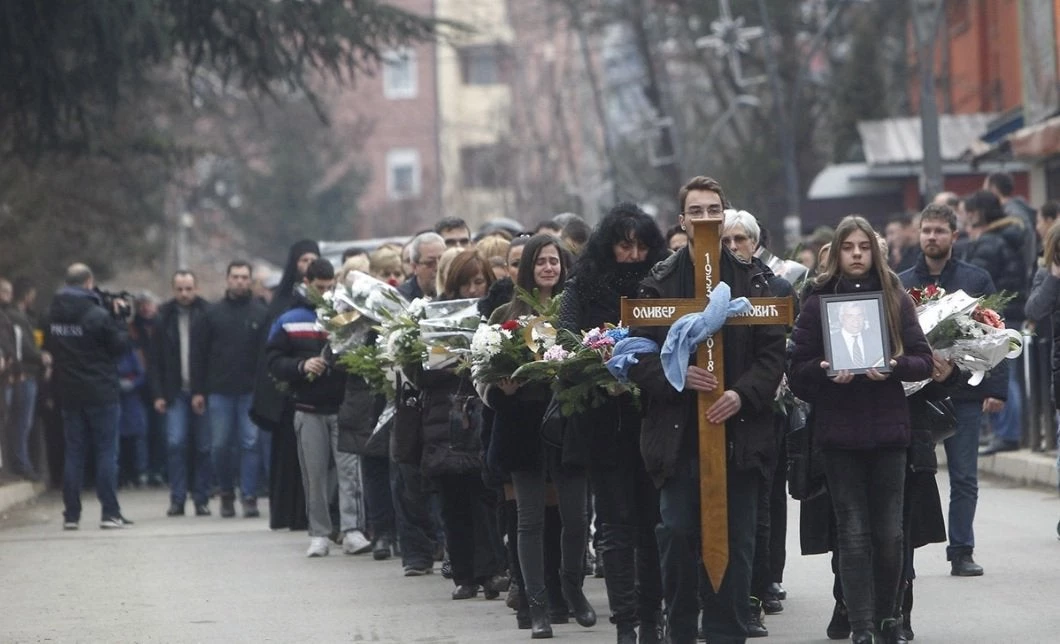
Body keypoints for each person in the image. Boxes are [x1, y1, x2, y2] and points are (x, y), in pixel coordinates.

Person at [625, 178, 785, 644]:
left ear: (725, 214)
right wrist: (676, 378)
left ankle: (727, 632)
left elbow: (773, 353)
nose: (706, 219)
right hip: (677, 436)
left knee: (736, 542)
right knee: (675, 532)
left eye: (714, 210)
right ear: (682, 221)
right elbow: (635, 353)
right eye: (696, 211)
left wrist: (742, 393)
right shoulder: (657, 283)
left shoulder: (754, 280)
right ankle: (680, 630)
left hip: (738, 434)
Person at [790, 215, 933, 644]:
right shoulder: (818, 302)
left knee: (890, 535)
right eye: (849, 247)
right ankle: (862, 627)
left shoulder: (895, 299)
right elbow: (796, 371)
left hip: (889, 433)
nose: (856, 254)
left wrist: (892, 367)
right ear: (838, 252)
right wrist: (820, 370)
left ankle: (890, 618)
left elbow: (924, 360)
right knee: (852, 534)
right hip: (839, 436)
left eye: (863, 247)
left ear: (874, 249)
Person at [558, 204, 668, 644]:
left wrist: (645, 378)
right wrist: (602, 375)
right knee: (616, 525)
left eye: (641, 245)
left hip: (654, 417)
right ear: (609, 244)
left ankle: (652, 619)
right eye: (626, 245)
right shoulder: (584, 284)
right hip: (603, 422)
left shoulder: (660, 284)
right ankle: (625, 621)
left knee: (653, 525)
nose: (634, 253)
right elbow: (567, 344)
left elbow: (677, 339)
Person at [483, 234, 595, 639]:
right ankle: (537, 606)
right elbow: (482, 373)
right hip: (522, 426)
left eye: (555, 261)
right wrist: (500, 388)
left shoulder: (574, 307)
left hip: (568, 423)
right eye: (541, 262)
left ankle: (572, 586)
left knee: (577, 518)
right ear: (528, 268)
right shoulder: (504, 313)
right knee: (528, 521)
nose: (549, 268)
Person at [899, 203, 1006, 578]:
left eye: (939, 231)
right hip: (916, 396)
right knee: (912, 473)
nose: (932, 237)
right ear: (918, 234)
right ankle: (903, 552)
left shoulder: (976, 280)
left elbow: (997, 338)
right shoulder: (900, 283)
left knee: (964, 477)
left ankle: (961, 549)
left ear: (954, 236)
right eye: (926, 230)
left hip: (965, 393)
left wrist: (997, 390)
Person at [416, 250, 506, 598]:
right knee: (452, 499)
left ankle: (492, 571)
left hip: (481, 410)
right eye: (466, 282)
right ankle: (464, 575)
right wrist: (443, 362)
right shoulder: (436, 317)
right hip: (444, 415)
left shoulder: (493, 315)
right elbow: (422, 373)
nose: (473, 288)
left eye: (479, 281)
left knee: (483, 496)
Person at [266, 259, 370, 557]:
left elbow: (360, 351)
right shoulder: (290, 319)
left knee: (349, 473)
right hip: (308, 407)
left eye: (329, 287)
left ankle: (351, 529)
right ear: (307, 283)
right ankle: (320, 533)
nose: (324, 293)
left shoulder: (345, 316)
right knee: (314, 474)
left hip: (343, 407)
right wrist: (300, 365)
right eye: (319, 287)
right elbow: (273, 360)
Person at [723, 209, 795, 628]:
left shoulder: (776, 287)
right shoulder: (707, 289)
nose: (734, 248)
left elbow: (779, 351)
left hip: (760, 410)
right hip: (716, 409)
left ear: (755, 243)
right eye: (727, 241)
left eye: (741, 240)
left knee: (761, 509)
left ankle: (757, 592)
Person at [44, 263, 134, 530]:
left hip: (69, 392)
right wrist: (119, 318)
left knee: (74, 452)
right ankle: (109, 512)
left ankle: (71, 515)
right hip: (101, 391)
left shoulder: (51, 315)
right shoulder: (97, 315)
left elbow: (50, 346)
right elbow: (119, 346)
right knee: (106, 451)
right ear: (88, 282)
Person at [251, 240, 320, 531]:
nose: (307, 265)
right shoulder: (280, 305)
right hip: (286, 392)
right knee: (287, 456)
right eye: (303, 260)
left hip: (316, 391)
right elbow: (268, 353)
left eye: (313, 260)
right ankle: (286, 514)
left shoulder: (324, 303)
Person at [191, 260, 269, 519]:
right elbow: (198, 355)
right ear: (227, 279)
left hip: (250, 391)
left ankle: (249, 495)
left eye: (244, 277)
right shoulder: (211, 314)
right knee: (220, 445)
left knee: (250, 443)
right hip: (219, 390)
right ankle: (226, 491)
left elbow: (267, 355)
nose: (240, 281)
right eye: (235, 277)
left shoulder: (260, 313)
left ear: (250, 280)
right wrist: (198, 391)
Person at [962, 191, 1028, 456]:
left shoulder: (989, 243)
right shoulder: (1008, 237)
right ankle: (1007, 432)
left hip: (996, 316)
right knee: (1008, 373)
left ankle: (1008, 433)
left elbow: (974, 282)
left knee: (1003, 375)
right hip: (1008, 313)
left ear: (977, 213)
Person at [150, 271, 212, 517]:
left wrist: (203, 391)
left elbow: (213, 358)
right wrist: (157, 394)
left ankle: (201, 498)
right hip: (174, 391)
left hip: (201, 392)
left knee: (204, 447)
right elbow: (154, 360)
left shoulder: (207, 314)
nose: (184, 294)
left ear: (196, 288)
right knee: (176, 444)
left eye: (188, 288)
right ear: (173, 290)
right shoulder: (163, 317)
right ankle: (177, 499)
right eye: (180, 289)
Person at [0, 278, 44, 480]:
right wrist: (39, 359)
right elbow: (19, 347)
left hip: (16, 372)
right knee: (18, 422)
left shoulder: (12, 317)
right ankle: (19, 464)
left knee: (17, 422)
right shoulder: (13, 317)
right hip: (17, 375)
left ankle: (15, 464)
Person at [399, 232, 446, 300]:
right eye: (430, 263)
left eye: (443, 261)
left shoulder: (455, 292)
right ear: (414, 267)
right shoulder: (402, 298)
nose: (438, 267)